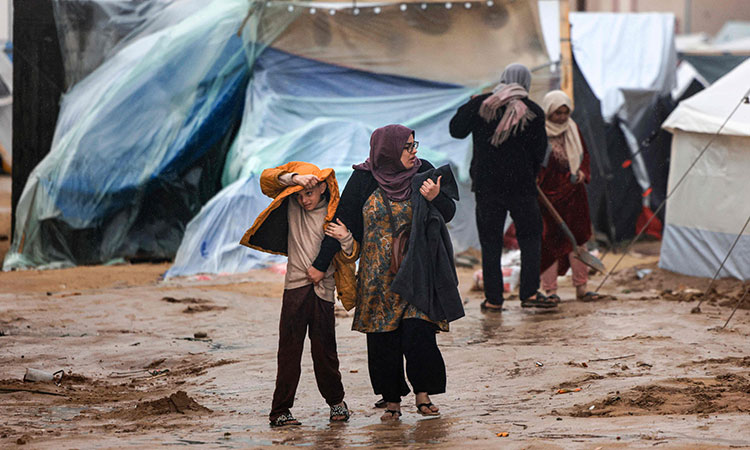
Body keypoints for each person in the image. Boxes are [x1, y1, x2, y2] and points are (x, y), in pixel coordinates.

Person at [313, 124, 458, 420]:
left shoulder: (424, 172)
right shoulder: (364, 179)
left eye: (414, 144)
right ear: (388, 149)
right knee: (383, 340)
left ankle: (423, 394)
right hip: (377, 278)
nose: (414, 151)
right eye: (407, 146)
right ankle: (392, 400)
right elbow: (343, 222)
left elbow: (448, 213)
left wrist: (435, 198)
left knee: (420, 334)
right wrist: (318, 265)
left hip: (418, 270)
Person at [239, 161, 353, 427]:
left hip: (323, 290)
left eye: (310, 194)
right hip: (295, 287)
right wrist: (295, 179)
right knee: (289, 351)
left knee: (325, 352)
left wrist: (346, 237)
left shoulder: (336, 214)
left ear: (323, 188)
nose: (304, 200)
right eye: (301, 195)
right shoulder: (291, 204)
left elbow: (351, 253)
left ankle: (337, 404)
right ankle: (280, 411)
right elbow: (267, 179)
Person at [449, 63, 555, 311]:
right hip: (522, 188)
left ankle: (494, 299)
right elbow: (540, 153)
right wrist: (528, 171)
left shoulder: (482, 105)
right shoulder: (534, 111)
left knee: (490, 242)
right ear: (525, 82)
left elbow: (456, 130)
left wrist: (470, 104)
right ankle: (529, 293)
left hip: (488, 187)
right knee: (530, 239)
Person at [538, 90, 602, 302]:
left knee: (578, 241)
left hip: (574, 194)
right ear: (549, 112)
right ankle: (550, 291)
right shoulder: (539, 133)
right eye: (558, 113)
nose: (562, 117)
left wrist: (583, 172)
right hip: (548, 197)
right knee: (549, 243)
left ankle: (581, 288)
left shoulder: (573, 129)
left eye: (565, 112)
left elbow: (585, 155)